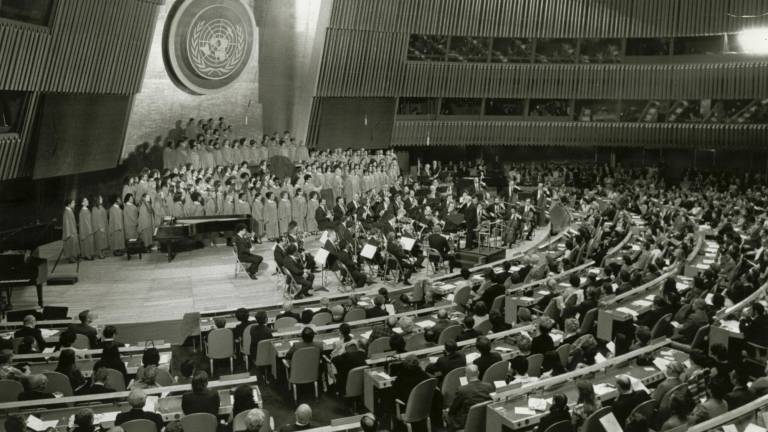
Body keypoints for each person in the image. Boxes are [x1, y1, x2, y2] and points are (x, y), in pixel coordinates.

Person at [447, 364, 493, 430]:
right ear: (478, 373)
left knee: (448, 415)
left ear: (466, 375)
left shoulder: (462, 390)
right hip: (485, 419)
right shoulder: (489, 386)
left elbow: (453, 409)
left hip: (467, 422)